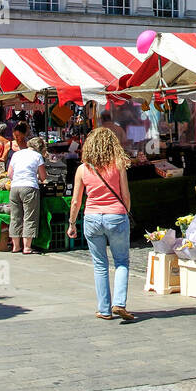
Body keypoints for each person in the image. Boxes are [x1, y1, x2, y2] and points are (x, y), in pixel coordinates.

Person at [68, 126, 133, 322]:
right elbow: (125, 194)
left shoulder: (82, 169)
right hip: (116, 216)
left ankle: (104, 309)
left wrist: (72, 223)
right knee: (121, 261)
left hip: (92, 218)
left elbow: (76, 201)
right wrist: (126, 212)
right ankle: (119, 303)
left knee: (100, 265)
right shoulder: (119, 164)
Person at [7, 135, 46, 255]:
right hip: (29, 187)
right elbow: (43, 177)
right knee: (29, 217)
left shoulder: (17, 154)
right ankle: (27, 247)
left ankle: (16, 246)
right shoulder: (38, 156)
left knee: (15, 217)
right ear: (39, 148)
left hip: (14, 187)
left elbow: (9, 174)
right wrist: (38, 177)